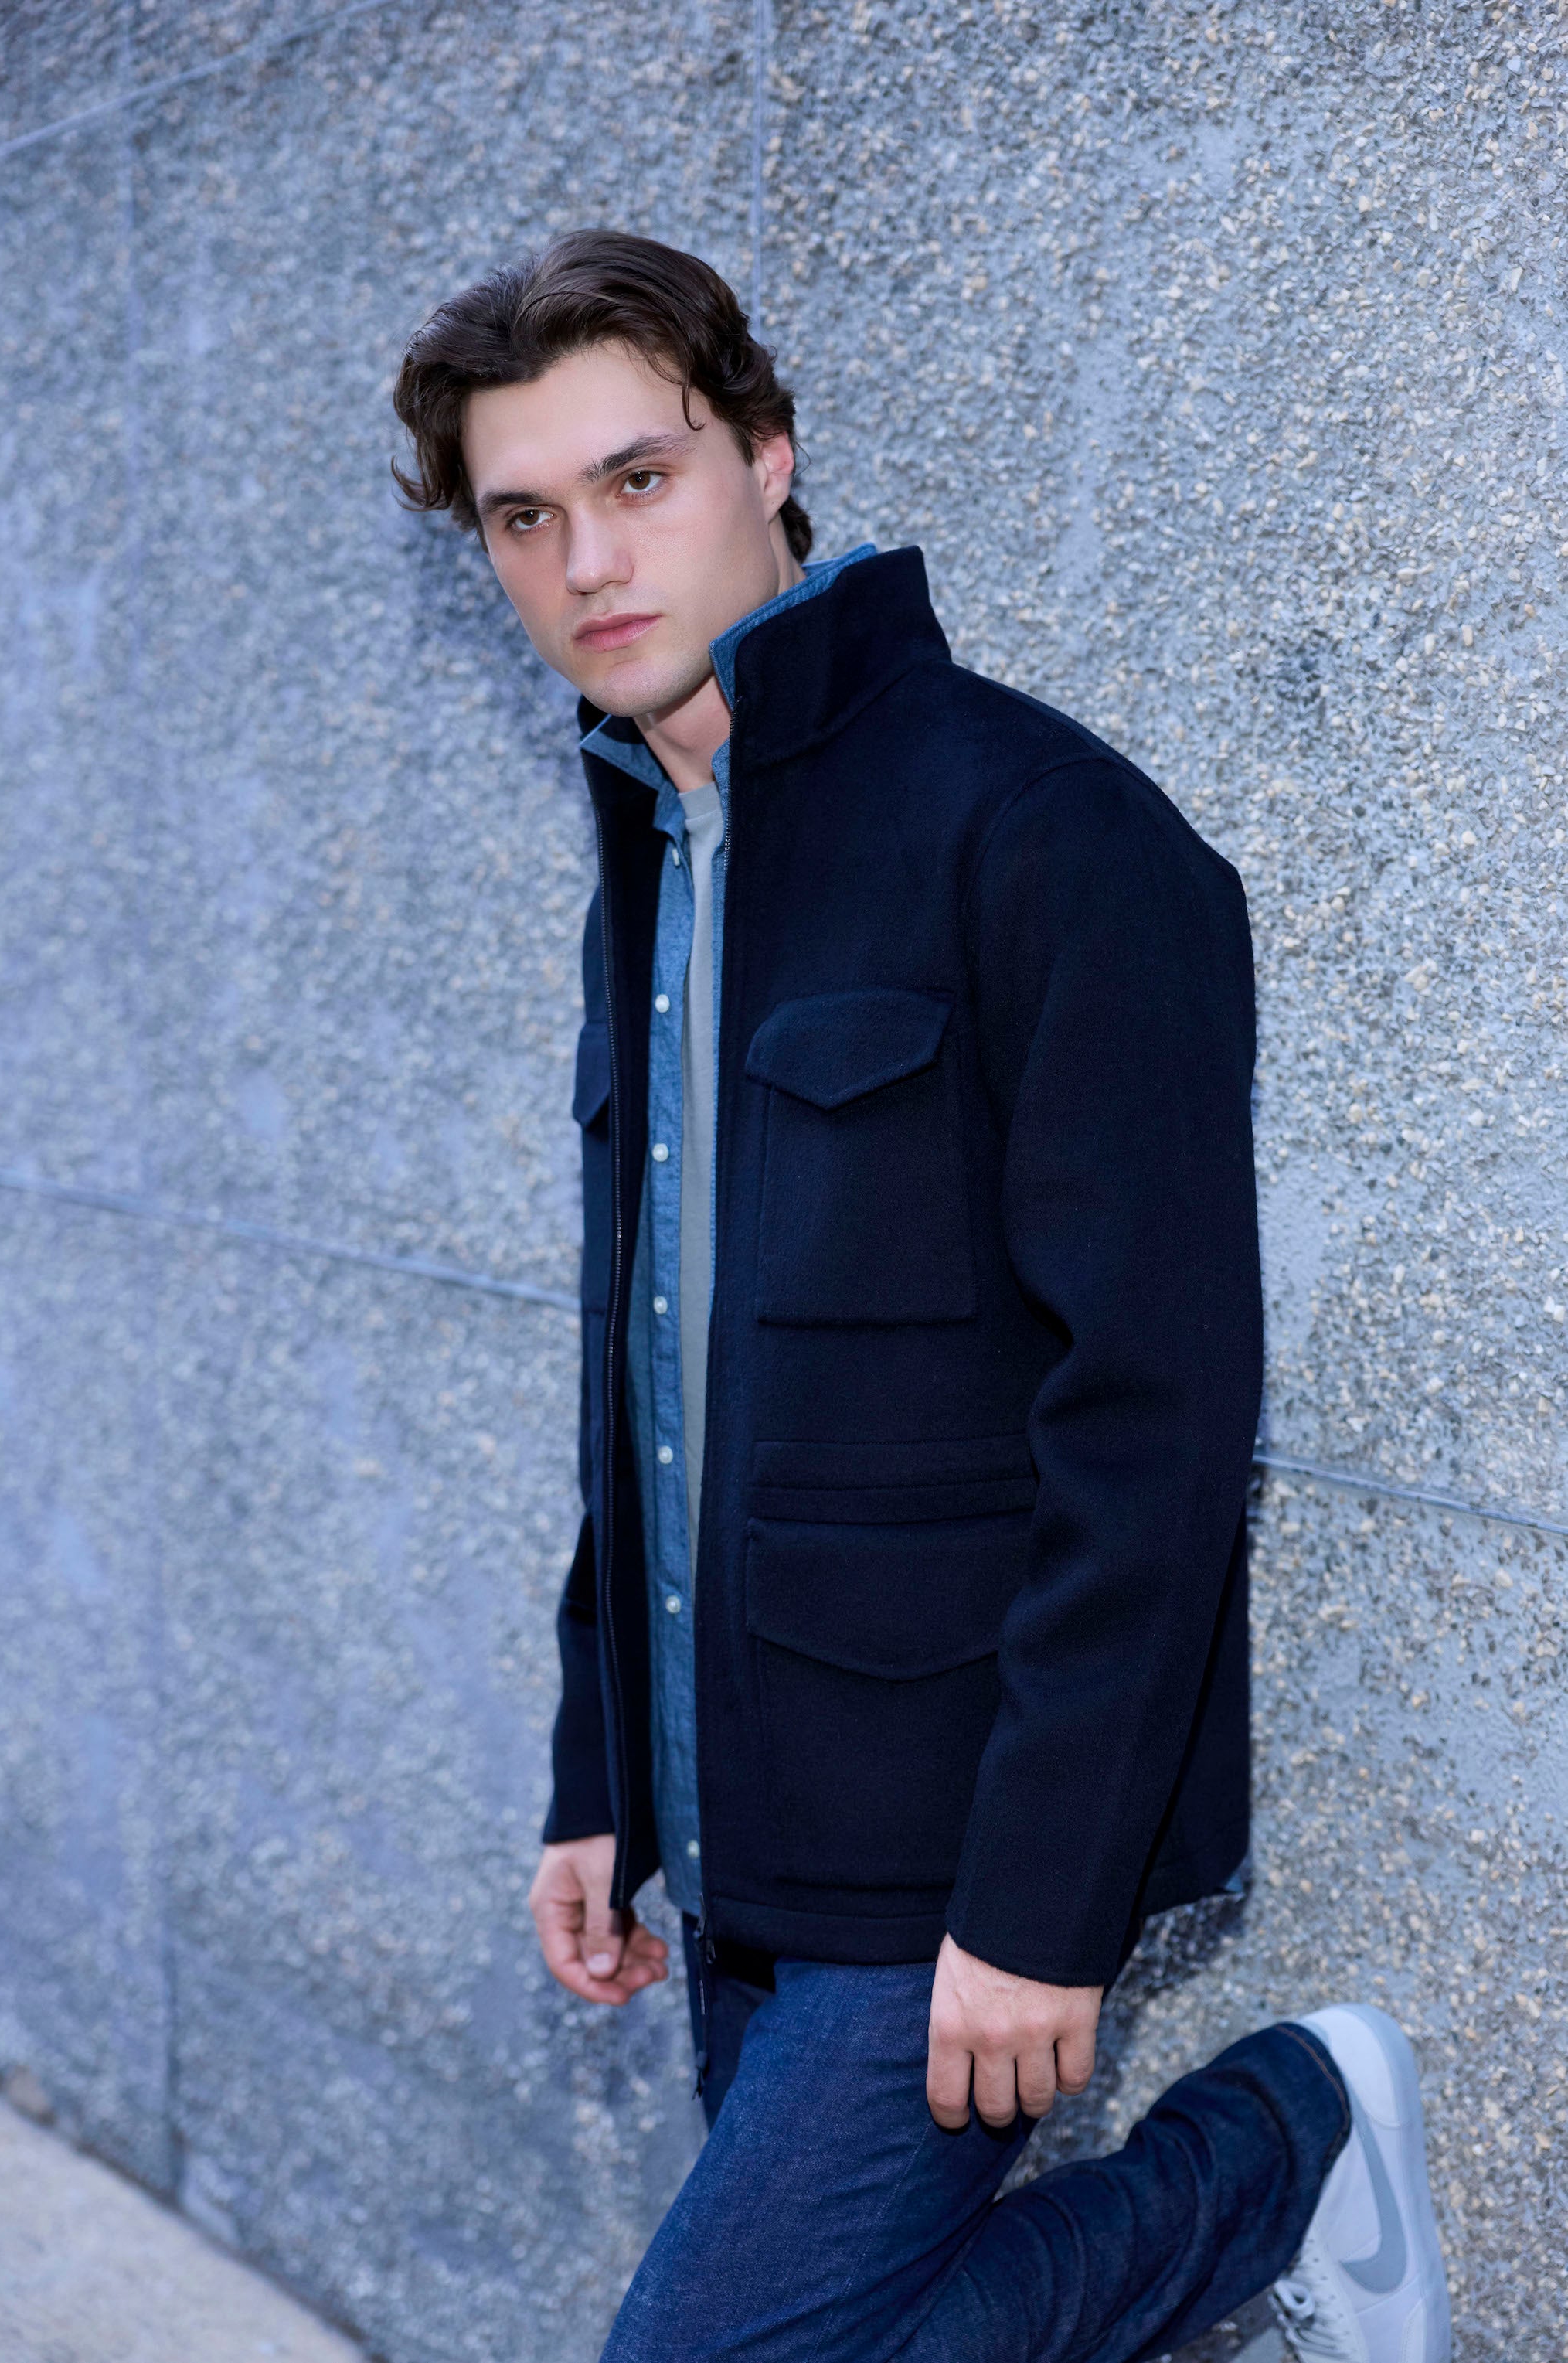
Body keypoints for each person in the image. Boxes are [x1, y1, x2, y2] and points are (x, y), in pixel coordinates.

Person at [392, 230, 1450, 2363]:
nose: (586, 561)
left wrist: (1042, 1898)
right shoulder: (651, 862)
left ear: (769, 457)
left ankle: (1281, 2145)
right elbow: (649, 1368)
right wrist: (604, 1768)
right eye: (522, 517)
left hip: (950, 1837)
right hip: (734, 1835)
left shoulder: (1047, 832)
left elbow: (1154, 1415)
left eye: (636, 478)